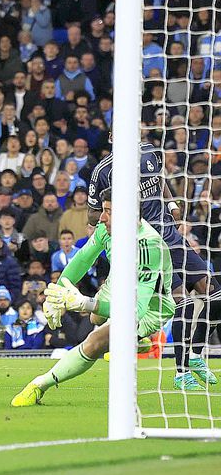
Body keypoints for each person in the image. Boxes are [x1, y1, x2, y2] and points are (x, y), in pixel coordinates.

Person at [12, 190, 175, 406]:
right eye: (103, 210)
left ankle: (39, 385)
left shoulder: (148, 244)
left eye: (108, 211)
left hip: (152, 303)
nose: (102, 217)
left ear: (129, 213)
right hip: (119, 282)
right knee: (95, 319)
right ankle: (134, 340)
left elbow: (136, 309)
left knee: (96, 341)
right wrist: (55, 294)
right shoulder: (106, 229)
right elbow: (82, 259)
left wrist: (85, 302)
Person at [89, 141, 220, 390]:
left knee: (214, 292)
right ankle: (181, 373)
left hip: (174, 238)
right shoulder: (103, 172)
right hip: (150, 247)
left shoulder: (148, 151)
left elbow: (158, 179)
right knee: (183, 300)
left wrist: (171, 204)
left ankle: (195, 355)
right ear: (110, 137)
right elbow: (93, 215)